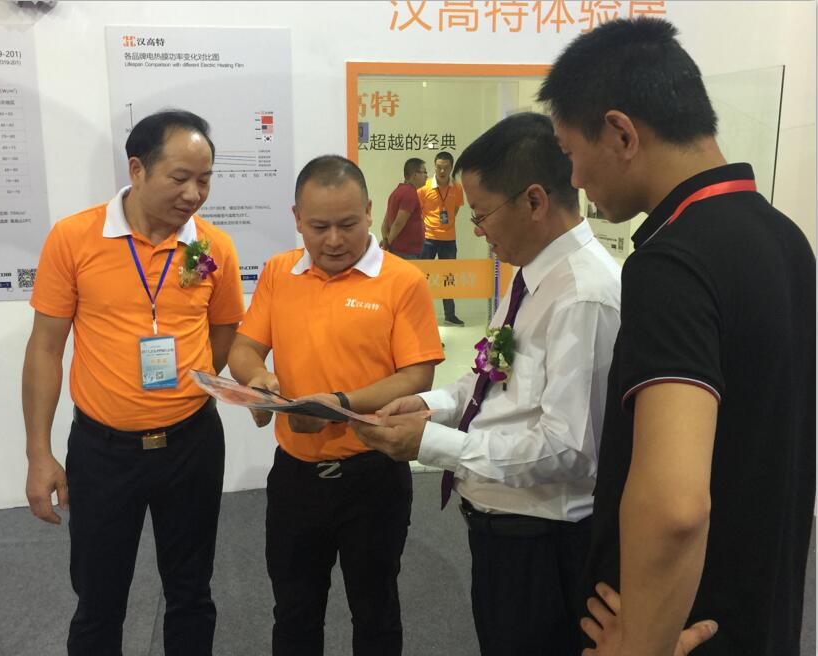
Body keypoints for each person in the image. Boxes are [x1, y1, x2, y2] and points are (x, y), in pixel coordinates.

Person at [537, 17, 815, 656]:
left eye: (571, 154)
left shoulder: (673, 262)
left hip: (684, 624)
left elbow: (675, 506)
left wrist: (643, 645)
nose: (574, 180)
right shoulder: (784, 236)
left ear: (621, 133)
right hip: (762, 602)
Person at [352, 112, 621, 654]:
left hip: (542, 545)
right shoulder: (533, 276)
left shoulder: (583, 295)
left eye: (481, 214)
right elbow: (486, 379)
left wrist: (433, 444)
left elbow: (570, 449)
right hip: (504, 532)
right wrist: (428, 405)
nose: (476, 230)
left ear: (535, 201)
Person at [23, 110, 244, 655]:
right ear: (138, 169)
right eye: (180, 178)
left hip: (192, 446)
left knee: (191, 592)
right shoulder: (74, 238)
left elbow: (223, 333)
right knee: (99, 599)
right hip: (103, 452)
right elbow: (46, 349)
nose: (194, 194)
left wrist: (194, 387)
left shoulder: (213, 246)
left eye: (205, 179)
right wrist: (38, 454)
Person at [227, 155, 444, 655]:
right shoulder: (280, 272)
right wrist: (257, 379)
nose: (332, 240)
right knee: (294, 613)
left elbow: (417, 375)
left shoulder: (402, 280)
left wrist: (340, 405)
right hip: (295, 476)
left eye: (347, 224)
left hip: (373, 474)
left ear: (369, 212)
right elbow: (243, 348)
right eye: (318, 227)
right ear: (297, 218)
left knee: (375, 612)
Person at [418, 151, 465, 325]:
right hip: (428, 238)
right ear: (434, 166)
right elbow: (418, 212)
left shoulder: (457, 188)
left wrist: (447, 224)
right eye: (438, 167)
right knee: (424, 279)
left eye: (445, 168)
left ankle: (450, 315)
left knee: (448, 278)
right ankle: (422, 315)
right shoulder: (424, 187)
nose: (442, 171)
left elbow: (455, 210)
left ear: (451, 168)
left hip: (449, 239)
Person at [380, 156, 428, 259]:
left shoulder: (396, 192)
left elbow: (384, 224)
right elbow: (398, 223)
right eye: (424, 172)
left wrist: (385, 239)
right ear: (415, 174)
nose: (426, 176)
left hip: (400, 250)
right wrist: (388, 243)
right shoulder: (409, 193)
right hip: (406, 252)